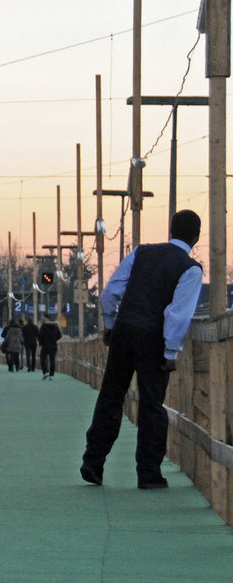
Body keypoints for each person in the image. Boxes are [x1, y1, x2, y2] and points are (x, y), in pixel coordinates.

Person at [80, 209, 203, 489]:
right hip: (154, 339)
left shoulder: (142, 252)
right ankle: (148, 474)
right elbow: (177, 314)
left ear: (170, 229)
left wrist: (110, 324)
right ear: (196, 237)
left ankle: (93, 461)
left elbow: (110, 293)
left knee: (111, 396)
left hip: (124, 330)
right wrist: (170, 352)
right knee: (152, 404)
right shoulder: (191, 269)